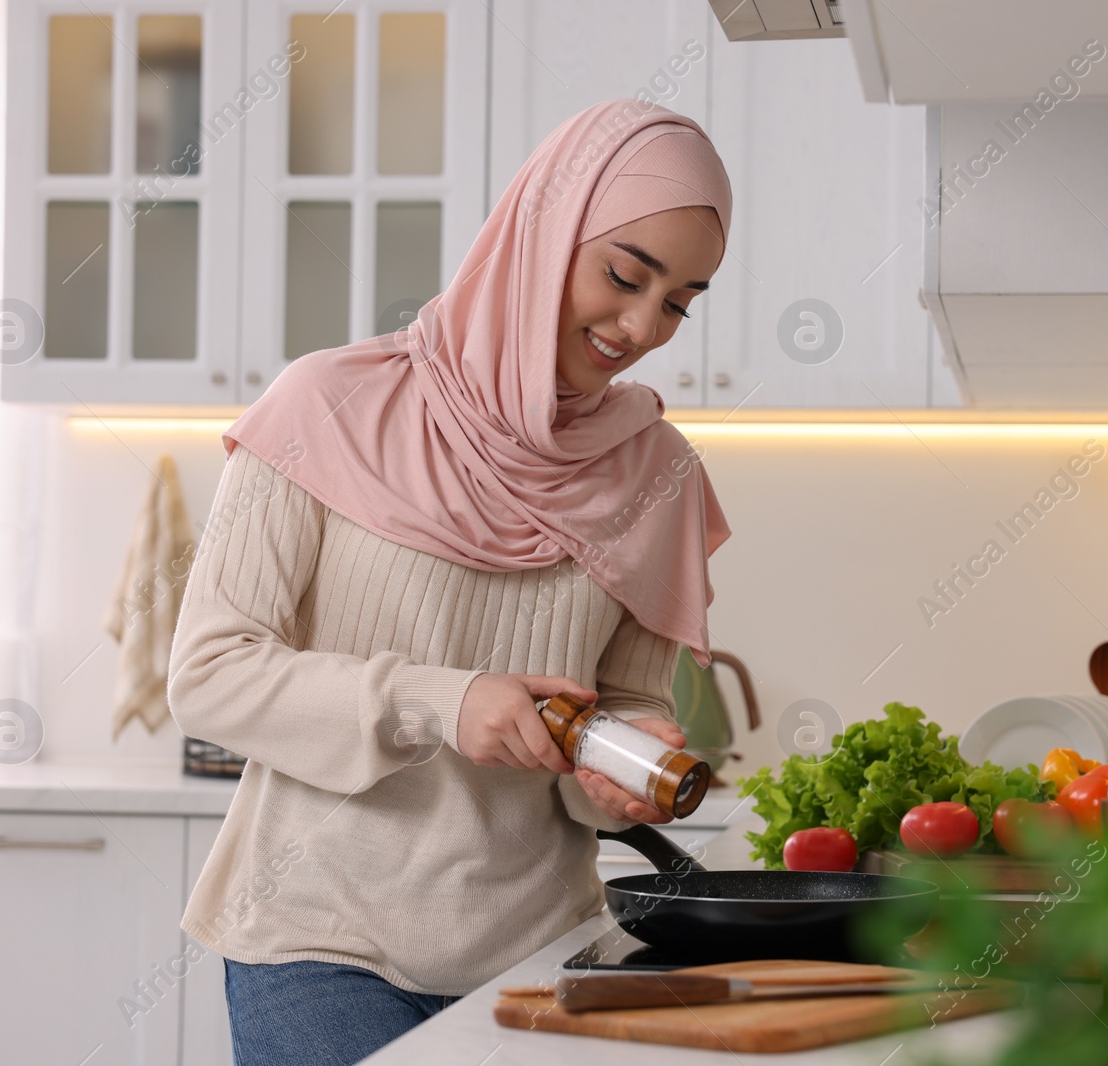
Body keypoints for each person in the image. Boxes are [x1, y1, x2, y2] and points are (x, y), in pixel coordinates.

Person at [166, 98, 733, 1065]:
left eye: (679, 301)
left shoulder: (655, 471)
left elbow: (620, 710)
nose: (643, 326)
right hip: (316, 935)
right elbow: (210, 674)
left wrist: (622, 775)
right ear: (541, 237)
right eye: (624, 276)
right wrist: (443, 701)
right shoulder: (331, 403)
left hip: (539, 948)